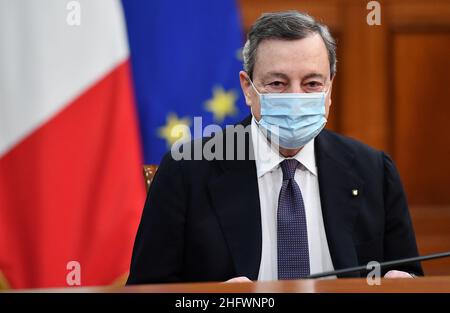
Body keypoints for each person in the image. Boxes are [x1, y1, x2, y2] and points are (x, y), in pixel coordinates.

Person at [127, 11, 422, 284]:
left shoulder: (373, 171)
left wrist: (404, 285)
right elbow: (145, 290)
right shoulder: (186, 170)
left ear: (330, 88)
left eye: (311, 84)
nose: (295, 97)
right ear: (247, 88)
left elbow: (408, 275)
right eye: (278, 84)